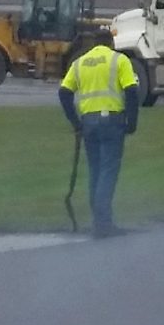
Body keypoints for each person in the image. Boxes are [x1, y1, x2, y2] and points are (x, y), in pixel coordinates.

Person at [59, 35, 143, 239]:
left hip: (88, 123)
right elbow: (132, 91)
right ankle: (104, 224)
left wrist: (75, 122)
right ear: (111, 44)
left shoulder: (80, 63)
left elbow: (64, 93)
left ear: (94, 45)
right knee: (108, 171)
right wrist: (131, 122)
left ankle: (98, 221)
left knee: (95, 171)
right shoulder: (118, 60)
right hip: (111, 122)